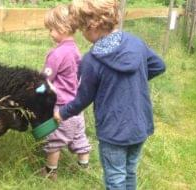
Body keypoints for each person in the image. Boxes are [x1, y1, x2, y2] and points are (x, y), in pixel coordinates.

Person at [54, 0, 166, 189]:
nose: (82, 33)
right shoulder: (136, 43)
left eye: (82, 28)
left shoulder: (91, 60)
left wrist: (62, 113)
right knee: (130, 172)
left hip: (113, 131)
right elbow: (158, 66)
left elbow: (83, 99)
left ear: (92, 26)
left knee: (115, 178)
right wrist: (133, 83)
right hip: (139, 124)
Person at [40, 4, 92, 181]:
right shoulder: (76, 50)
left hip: (61, 107)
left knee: (55, 140)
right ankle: (85, 168)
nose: (50, 33)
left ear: (62, 28)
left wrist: (37, 89)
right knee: (79, 137)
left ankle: (50, 172)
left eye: (52, 29)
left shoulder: (56, 54)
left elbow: (45, 79)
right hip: (77, 105)